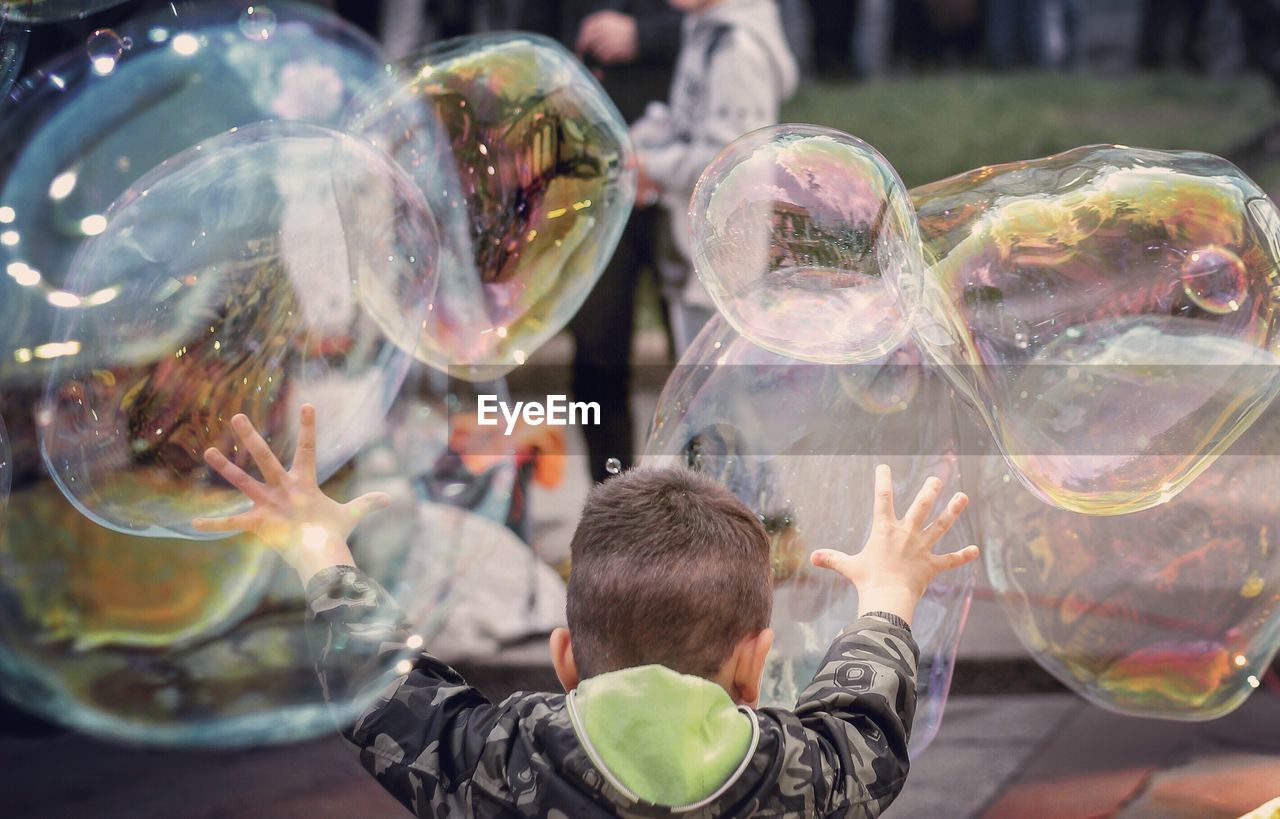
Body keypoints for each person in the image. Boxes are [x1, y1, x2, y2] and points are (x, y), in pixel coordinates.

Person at [193, 405, 979, 817]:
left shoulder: (505, 759)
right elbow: (865, 720)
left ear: (566, 655)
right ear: (754, 662)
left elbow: (388, 695)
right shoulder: (796, 772)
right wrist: (887, 595)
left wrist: (319, 549)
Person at [519, 1, 684, 484]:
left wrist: (642, 34)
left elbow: (737, 19)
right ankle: (613, 511)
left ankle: (721, 516)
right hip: (588, 177)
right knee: (598, 354)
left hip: (681, 176)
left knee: (700, 357)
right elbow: (530, 39)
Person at [631, 0, 799, 356]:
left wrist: (650, 166)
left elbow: (729, 161)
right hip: (698, 247)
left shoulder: (737, 50)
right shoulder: (703, 29)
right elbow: (686, 123)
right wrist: (638, 142)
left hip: (724, 254)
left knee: (717, 392)